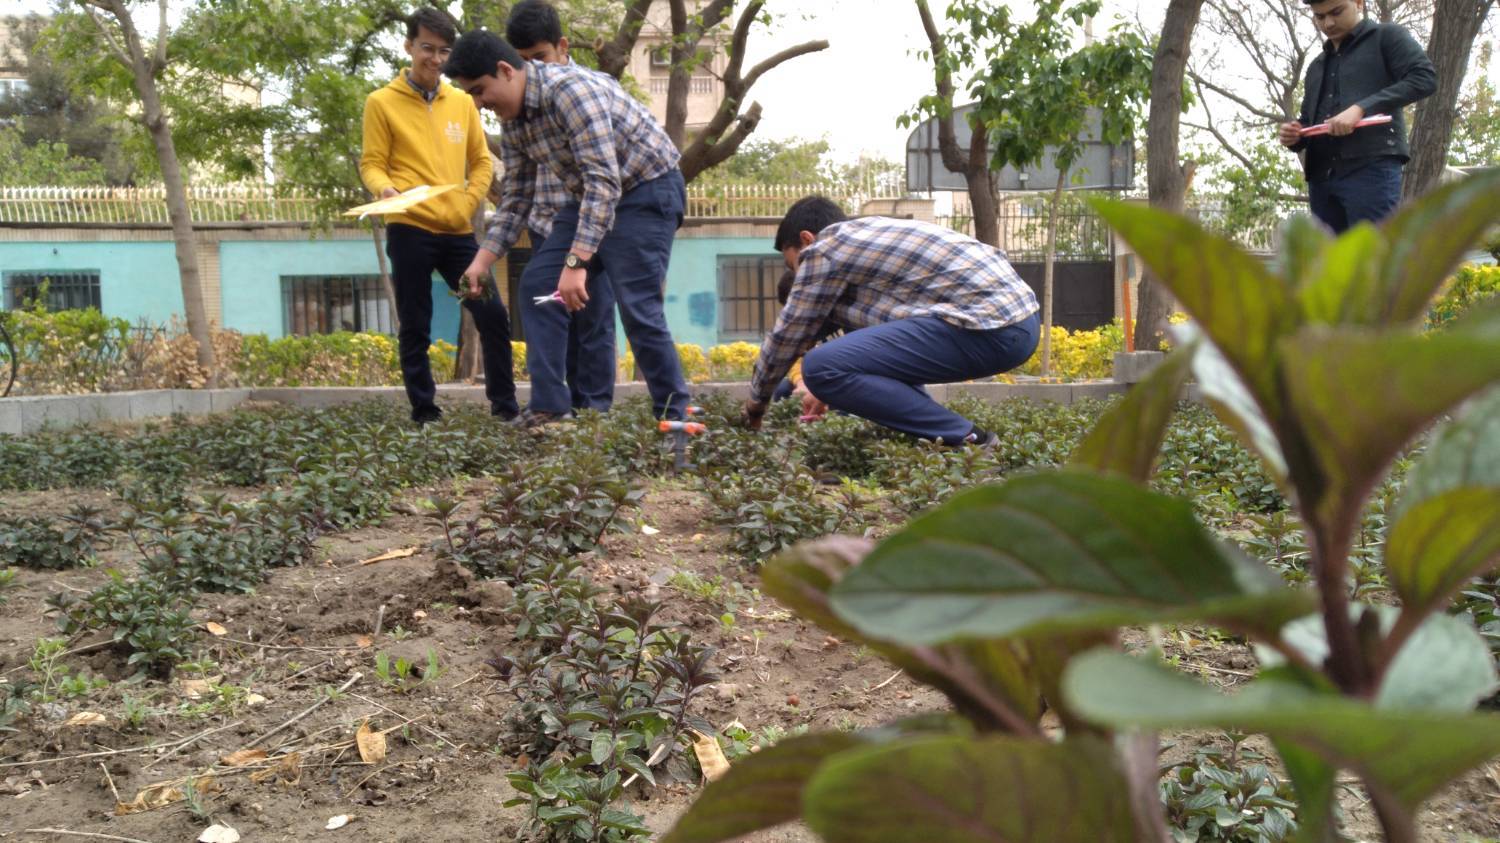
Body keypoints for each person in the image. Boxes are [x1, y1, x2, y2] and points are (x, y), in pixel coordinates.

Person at [443, 30, 691, 425]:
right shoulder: (515, 120)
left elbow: (604, 180)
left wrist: (576, 264)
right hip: (589, 198)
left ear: (506, 70)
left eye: (479, 90)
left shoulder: (570, 92)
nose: (478, 104)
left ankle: (675, 415)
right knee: (539, 284)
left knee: (637, 307)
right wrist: (482, 261)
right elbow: (517, 199)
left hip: (646, 190)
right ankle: (550, 405)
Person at [741, 197, 1040, 446]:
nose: (797, 274)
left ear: (806, 239)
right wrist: (825, 387)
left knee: (819, 365)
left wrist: (755, 408)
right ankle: (942, 438)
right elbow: (883, 356)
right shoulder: (870, 239)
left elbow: (786, 337)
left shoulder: (825, 250)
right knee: (835, 361)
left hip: (989, 323)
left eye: (791, 262)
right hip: (1018, 324)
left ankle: (971, 439)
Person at [359, 7, 518, 426]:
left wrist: (468, 202)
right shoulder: (381, 103)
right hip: (409, 229)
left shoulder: (463, 103)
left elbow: (481, 162)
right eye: (427, 48)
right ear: (409, 46)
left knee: (492, 315)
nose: (435, 58)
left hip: (458, 233)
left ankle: (505, 407)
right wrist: (385, 189)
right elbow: (371, 163)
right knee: (416, 325)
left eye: (444, 50)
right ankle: (425, 412)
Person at [505, 0, 618, 415]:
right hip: (546, 226)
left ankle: (594, 412)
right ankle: (556, 409)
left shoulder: (589, 88)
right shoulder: (516, 103)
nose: (534, 70)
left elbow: (605, 176)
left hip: (593, 228)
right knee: (550, 312)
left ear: (563, 46)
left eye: (541, 58)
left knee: (594, 322)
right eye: (523, 62)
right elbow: (516, 187)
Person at [1277, 0, 1436, 233]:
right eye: (1320, 17)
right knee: (1329, 264)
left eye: (1336, 12)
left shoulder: (1387, 37)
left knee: (1374, 259)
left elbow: (1424, 78)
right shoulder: (1316, 66)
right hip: (1321, 179)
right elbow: (1309, 119)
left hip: (1371, 169)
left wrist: (1362, 108)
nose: (1328, 23)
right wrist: (1295, 134)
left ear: (1359, 3)